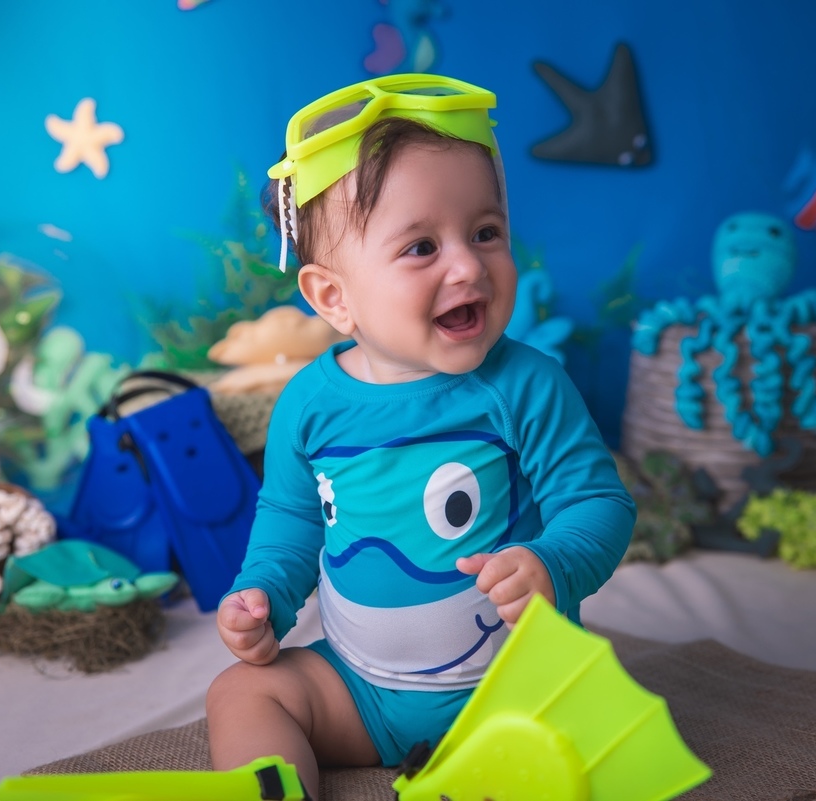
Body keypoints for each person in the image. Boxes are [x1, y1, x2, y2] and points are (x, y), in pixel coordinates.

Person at [205, 74, 636, 797]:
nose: (468, 265)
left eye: (486, 232)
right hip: (363, 694)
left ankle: (497, 770)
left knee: (591, 742)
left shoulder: (524, 385)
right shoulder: (308, 404)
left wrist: (552, 562)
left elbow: (599, 503)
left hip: (514, 686)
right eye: (421, 247)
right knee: (240, 693)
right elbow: (290, 522)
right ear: (333, 297)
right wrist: (262, 595)